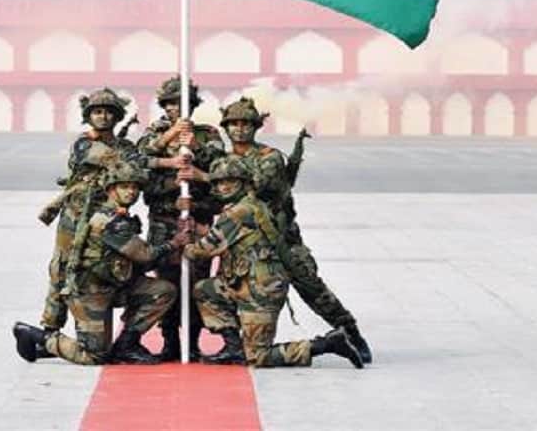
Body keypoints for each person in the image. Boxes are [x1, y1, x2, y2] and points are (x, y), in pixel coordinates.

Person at [218, 97, 373, 364]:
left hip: (282, 241)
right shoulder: (222, 161)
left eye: (246, 124)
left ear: (256, 127)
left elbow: (257, 186)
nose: (240, 129)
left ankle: (351, 334)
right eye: (234, 124)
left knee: (314, 290)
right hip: (245, 245)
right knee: (228, 290)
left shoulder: (269, 158)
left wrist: (206, 174)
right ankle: (236, 344)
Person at [184, 155, 362, 368]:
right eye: (220, 182)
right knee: (206, 289)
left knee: (258, 357)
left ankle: (325, 344)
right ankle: (233, 348)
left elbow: (202, 251)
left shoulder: (239, 212)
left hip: (261, 290)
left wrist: (183, 244)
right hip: (244, 283)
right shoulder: (252, 205)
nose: (224, 187)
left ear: (244, 183)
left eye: (230, 181)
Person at [13, 162, 185, 364]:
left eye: (135, 187)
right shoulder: (110, 220)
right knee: (94, 356)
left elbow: (136, 261)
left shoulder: (119, 216)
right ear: (111, 190)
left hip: (114, 285)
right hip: (90, 291)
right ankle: (38, 337)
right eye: (125, 187)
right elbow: (145, 255)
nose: (131, 192)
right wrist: (175, 242)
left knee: (163, 291)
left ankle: (126, 345)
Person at [36, 88, 141, 333]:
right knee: (62, 266)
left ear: (117, 117)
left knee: (104, 267)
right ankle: (49, 327)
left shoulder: (124, 145)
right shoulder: (83, 144)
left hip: (107, 218)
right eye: (97, 112)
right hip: (75, 215)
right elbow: (122, 161)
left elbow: (137, 168)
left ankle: (92, 325)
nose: (103, 117)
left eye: (108, 112)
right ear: (88, 115)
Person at [136, 76, 226, 361]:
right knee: (168, 284)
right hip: (164, 219)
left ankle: (193, 341)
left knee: (198, 281)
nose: (177, 109)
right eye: (172, 104)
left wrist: (194, 149)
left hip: (197, 218)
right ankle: (170, 342)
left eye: (183, 104)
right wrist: (170, 137)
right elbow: (137, 165)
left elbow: (222, 176)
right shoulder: (154, 134)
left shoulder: (208, 134)